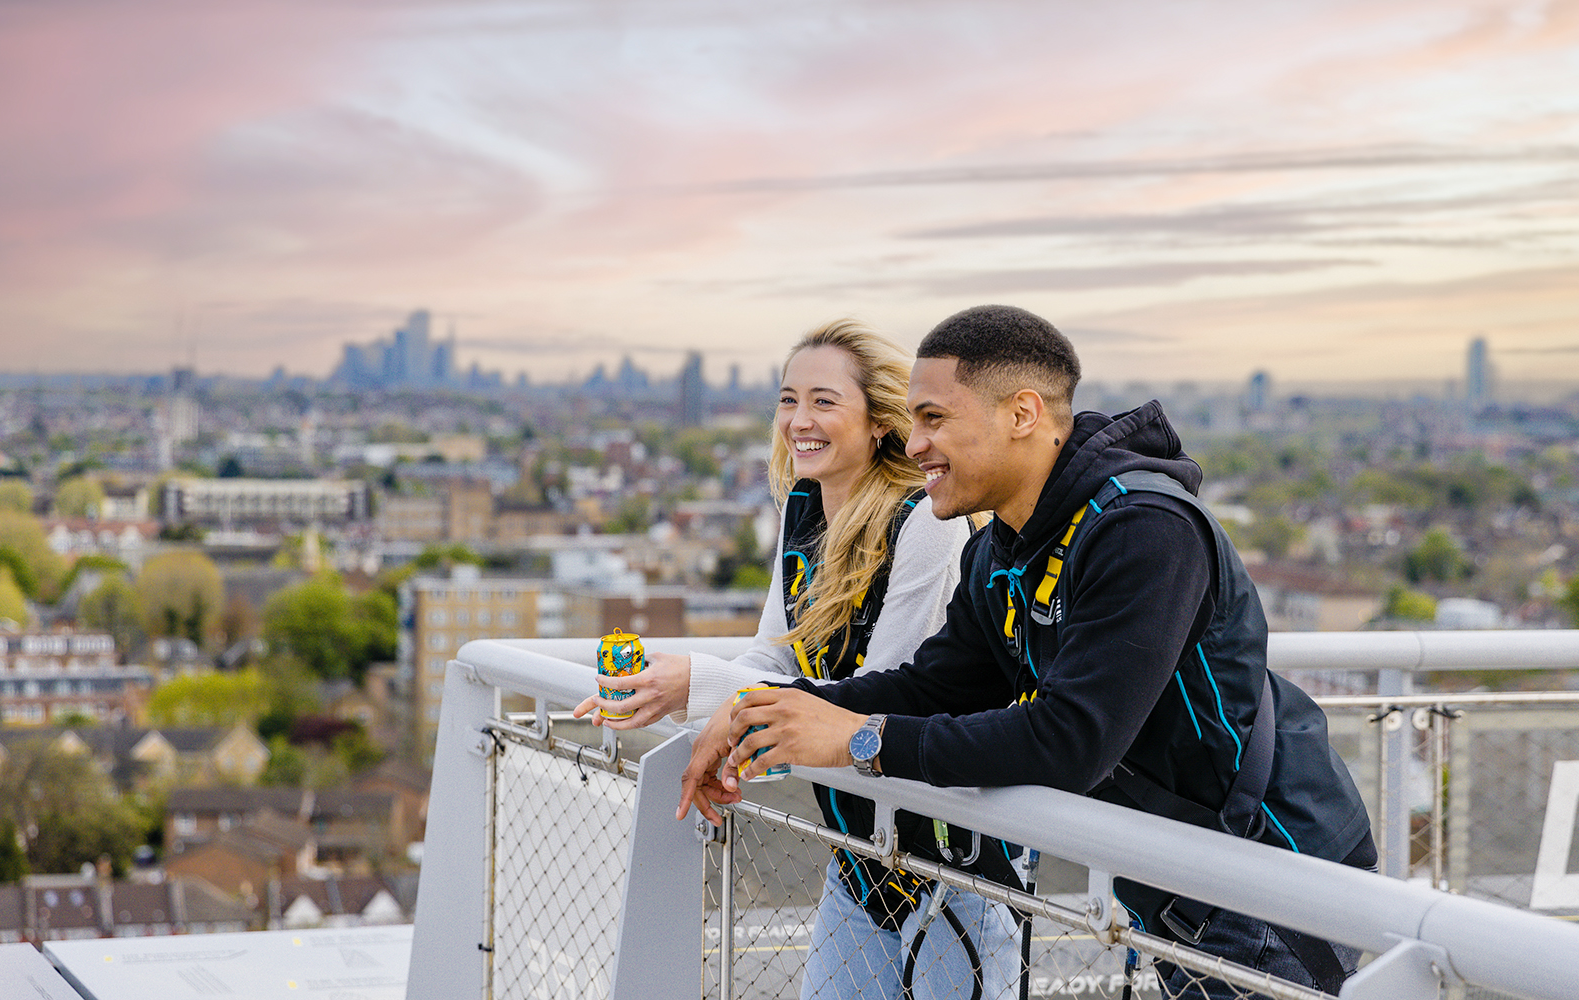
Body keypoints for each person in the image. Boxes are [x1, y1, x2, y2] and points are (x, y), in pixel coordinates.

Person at [679, 305, 1375, 999]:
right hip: (1176, 880)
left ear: (1022, 414)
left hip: (1274, 875)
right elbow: (933, 687)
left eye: (934, 418)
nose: (913, 442)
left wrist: (861, 742)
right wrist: (761, 713)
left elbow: (1072, 738)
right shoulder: (1001, 552)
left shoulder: (1144, 529)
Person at [575, 318, 1023, 999]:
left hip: (956, 860)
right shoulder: (804, 511)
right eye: (788, 399)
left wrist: (702, 689)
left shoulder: (927, 522)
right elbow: (773, 660)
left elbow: (888, 693)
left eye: (823, 400)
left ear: (879, 421)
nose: (798, 420)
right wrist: (695, 706)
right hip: (861, 849)